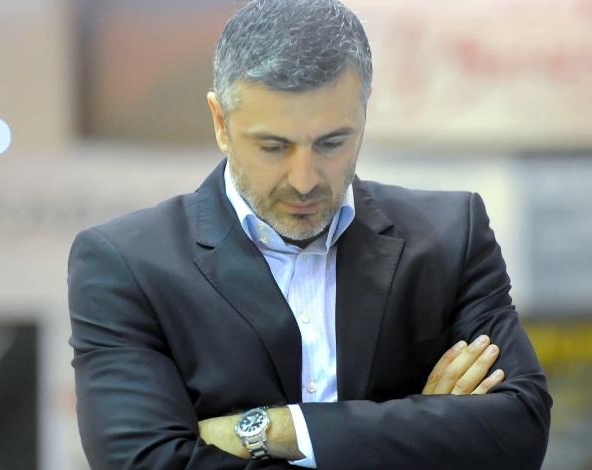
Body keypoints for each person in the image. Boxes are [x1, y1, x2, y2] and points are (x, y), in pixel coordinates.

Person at [67, 0, 552, 468]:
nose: (303, 180)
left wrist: (277, 430)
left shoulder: (451, 236)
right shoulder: (127, 265)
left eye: (331, 143)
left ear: (363, 116)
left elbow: (519, 432)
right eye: (273, 147)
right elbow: (147, 462)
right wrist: (421, 432)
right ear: (220, 123)